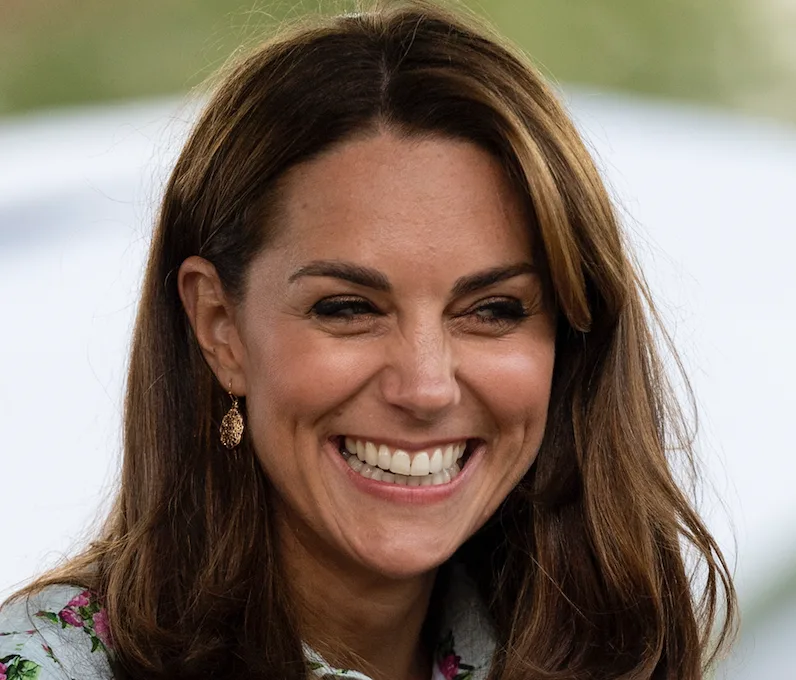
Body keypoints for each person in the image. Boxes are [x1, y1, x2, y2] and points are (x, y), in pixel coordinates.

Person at [0, 1, 736, 678]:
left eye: (493, 310)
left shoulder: (616, 653)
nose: (425, 387)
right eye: (349, 308)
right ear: (220, 328)